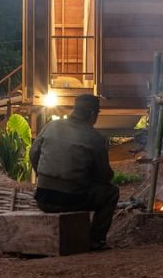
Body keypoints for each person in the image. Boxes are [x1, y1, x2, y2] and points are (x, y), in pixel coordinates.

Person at [29, 93, 119, 249]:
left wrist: (44, 174)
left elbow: (34, 154)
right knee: (111, 192)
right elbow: (104, 177)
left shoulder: (51, 126)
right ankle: (96, 240)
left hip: (43, 199)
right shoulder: (94, 138)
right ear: (92, 113)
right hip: (71, 200)